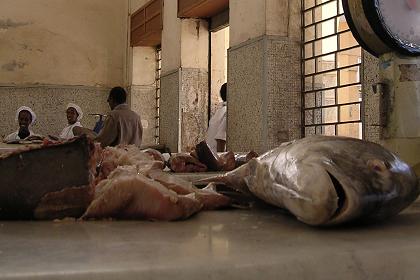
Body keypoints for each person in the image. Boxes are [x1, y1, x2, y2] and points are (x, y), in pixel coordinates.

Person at [76, 86, 143, 148]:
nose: (108, 102)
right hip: (133, 158)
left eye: (109, 100)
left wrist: (89, 140)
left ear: (112, 99)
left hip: (117, 158)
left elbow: (102, 142)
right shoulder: (136, 117)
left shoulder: (114, 115)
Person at [205, 83, 227, 153]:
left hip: (208, 155)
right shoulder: (227, 112)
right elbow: (220, 139)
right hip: (215, 158)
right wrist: (220, 162)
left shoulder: (218, 112)